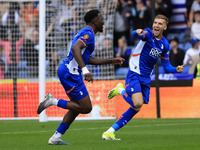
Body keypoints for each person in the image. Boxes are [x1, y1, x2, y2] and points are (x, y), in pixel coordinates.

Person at [37, 9, 124, 145]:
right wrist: (84, 70)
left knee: (77, 106)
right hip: (70, 73)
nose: (103, 22)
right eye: (101, 19)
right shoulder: (88, 33)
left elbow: (88, 58)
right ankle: (52, 101)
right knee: (86, 107)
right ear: (95, 21)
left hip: (69, 72)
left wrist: (111, 60)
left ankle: (56, 137)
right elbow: (75, 48)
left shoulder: (89, 34)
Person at [102, 14, 184, 140]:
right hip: (135, 72)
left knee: (137, 107)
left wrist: (176, 69)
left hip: (146, 77)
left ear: (165, 27)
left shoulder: (165, 44)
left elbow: (166, 66)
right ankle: (120, 90)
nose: (156, 25)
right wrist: (137, 31)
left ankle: (110, 131)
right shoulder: (148, 34)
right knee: (137, 102)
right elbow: (136, 34)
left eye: (160, 24)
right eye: (155, 22)